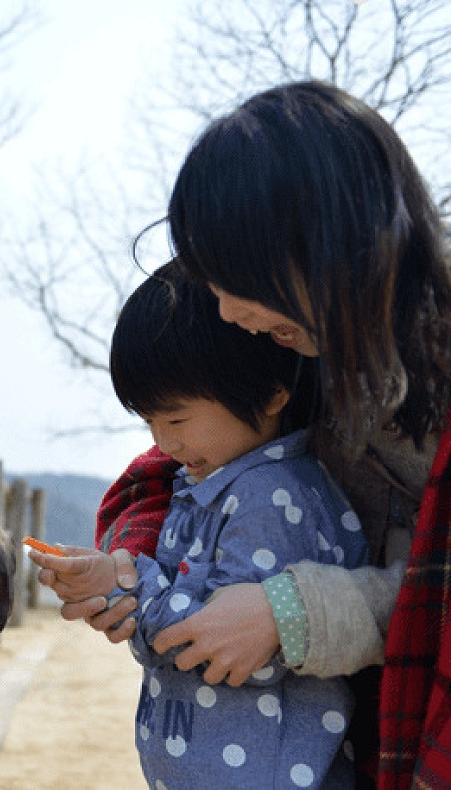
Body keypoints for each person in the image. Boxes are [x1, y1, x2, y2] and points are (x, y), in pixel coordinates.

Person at [33, 79, 451, 788]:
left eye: (234, 276)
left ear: (323, 240)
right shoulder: (307, 368)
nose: (225, 311)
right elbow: (168, 486)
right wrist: (129, 573)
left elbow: (429, 598)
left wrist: (291, 613)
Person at [44, 260, 368, 787]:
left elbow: (227, 652)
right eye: (149, 422)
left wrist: (129, 586)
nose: (163, 444)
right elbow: (180, 610)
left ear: (268, 394)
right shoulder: (208, 487)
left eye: (174, 420)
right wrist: (119, 590)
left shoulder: (273, 498)